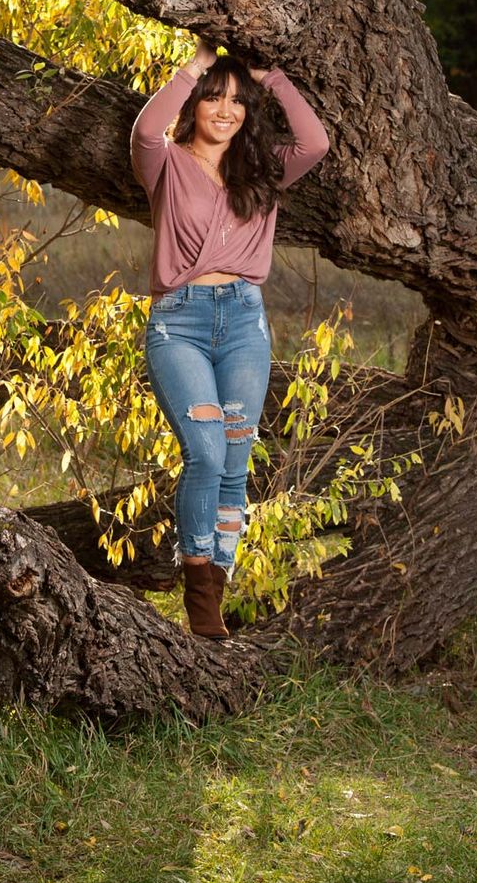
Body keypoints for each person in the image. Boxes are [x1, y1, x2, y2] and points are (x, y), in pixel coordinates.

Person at [130, 40, 329, 640]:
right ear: (195, 104)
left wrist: (273, 78)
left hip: (245, 321)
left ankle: (216, 592)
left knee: (237, 466)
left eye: (238, 101)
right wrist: (195, 65)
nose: (225, 110)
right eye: (214, 98)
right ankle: (197, 588)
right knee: (207, 454)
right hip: (180, 322)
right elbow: (145, 127)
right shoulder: (163, 160)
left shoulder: (262, 167)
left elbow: (315, 144)